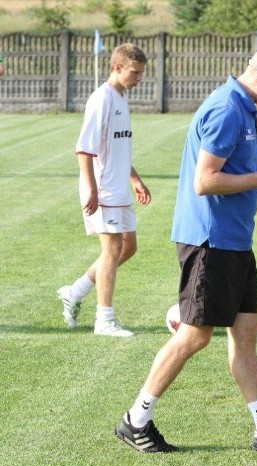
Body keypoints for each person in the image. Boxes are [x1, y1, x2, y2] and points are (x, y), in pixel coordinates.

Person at [114, 45, 257, 453]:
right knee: (194, 336)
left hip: (234, 239)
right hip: (212, 240)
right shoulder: (228, 109)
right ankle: (135, 420)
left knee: (245, 332)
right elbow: (204, 181)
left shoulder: (245, 107)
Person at [57, 44, 150, 337]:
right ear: (117, 67)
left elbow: (117, 146)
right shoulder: (102, 99)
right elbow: (84, 150)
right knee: (111, 249)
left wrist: (134, 178)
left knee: (128, 247)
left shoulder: (121, 96)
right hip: (104, 190)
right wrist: (92, 190)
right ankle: (104, 321)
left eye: (141, 74)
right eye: (134, 73)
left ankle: (75, 291)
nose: (139, 79)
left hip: (118, 187)